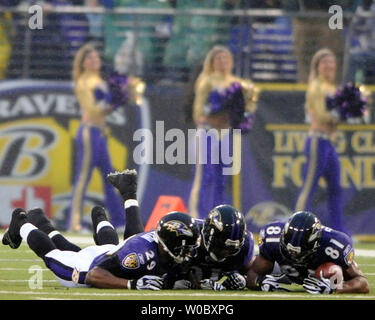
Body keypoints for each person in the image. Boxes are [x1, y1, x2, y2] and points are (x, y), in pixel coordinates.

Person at [2, 172, 201, 290]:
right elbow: (94, 275)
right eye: (183, 247)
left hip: (107, 252)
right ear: (167, 243)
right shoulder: (139, 254)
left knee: (109, 246)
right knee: (53, 255)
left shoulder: (153, 245)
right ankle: (21, 223)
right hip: (88, 268)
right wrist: (131, 285)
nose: (188, 253)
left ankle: (99, 215)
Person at [188, 45, 257, 220]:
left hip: (225, 133)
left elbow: (247, 107)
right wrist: (213, 113)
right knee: (205, 176)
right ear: (211, 61)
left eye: (226, 58)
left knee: (222, 178)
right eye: (218, 58)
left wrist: (242, 114)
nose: (222, 62)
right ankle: (199, 217)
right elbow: (197, 112)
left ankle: (217, 217)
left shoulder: (237, 83)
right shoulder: (206, 80)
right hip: (208, 131)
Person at [68, 44, 126, 232]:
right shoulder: (84, 81)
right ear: (83, 63)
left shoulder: (99, 79)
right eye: (89, 58)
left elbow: (107, 104)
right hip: (89, 132)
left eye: (96, 57)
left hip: (100, 133)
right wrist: (111, 104)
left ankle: (118, 220)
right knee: (83, 177)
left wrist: (120, 96)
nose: (94, 61)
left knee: (109, 178)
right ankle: (75, 222)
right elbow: (92, 108)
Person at [246, 211, 370, 294]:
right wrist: (261, 283)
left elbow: (363, 283)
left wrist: (336, 287)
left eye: (300, 252)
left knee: (334, 270)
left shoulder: (335, 244)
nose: (294, 255)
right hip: (284, 270)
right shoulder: (273, 238)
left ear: (316, 243)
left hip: (320, 274)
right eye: (290, 250)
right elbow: (253, 274)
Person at [294, 48, 348, 234]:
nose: (329, 66)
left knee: (335, 189)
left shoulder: (333, 88)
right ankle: (297, 226)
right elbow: (323, 115)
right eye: (325, 62)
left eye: (332, 62)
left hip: (329, 143)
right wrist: (344, 112)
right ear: (317, 66)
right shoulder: (316, 86)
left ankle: (338, 231)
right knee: (309, 186)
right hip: (318, 141)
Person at [171, 204, 255, 291]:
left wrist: (242, 279)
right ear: (208, 235)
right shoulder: (189, 237)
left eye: (231, 249)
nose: (225, 252)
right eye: (221, 246)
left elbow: (253, 272)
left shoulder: (245, 245)